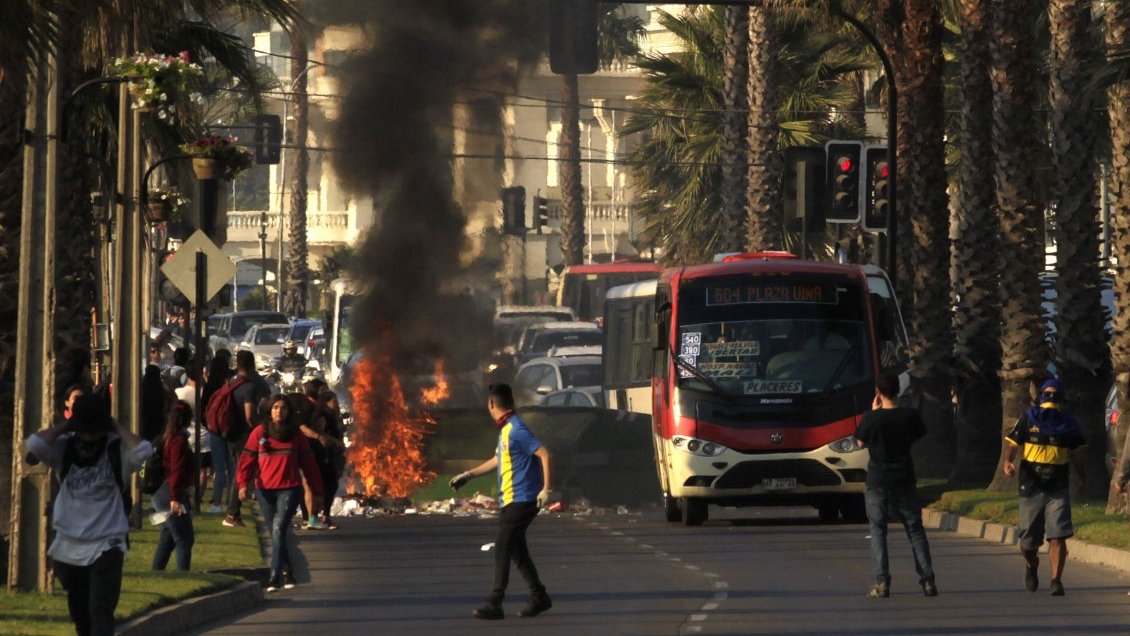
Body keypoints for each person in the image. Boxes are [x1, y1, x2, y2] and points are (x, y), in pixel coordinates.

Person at [25, 394, 152, 636]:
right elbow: (35, 444)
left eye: (93, 431)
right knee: (81, 615)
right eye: (85, 431)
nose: (89, 439)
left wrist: (115, 425)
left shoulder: (117, 449)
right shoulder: (65, 447)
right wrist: (67, 426)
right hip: (68, 545)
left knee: (100, 610)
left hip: (107, 543)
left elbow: (144, 450)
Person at [450, 383, 553, 620]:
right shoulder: (507, 430)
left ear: (491, 405)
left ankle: (495, 600)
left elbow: (545, 453)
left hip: (523, 498)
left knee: (503, 544)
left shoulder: (516, 429)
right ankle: (539, 597)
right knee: (516, 550)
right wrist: (468, 475)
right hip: (511, 499)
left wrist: (546, 490)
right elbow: (497, 460)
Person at [853, 369, 936, 599]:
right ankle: (927, 579)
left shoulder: (871, 418)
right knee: (914, 529)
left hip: (878, 480)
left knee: (878, 530)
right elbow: (920, 437)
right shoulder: (909, 416)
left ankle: (882, 582)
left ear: (878, 392)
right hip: (904, 478)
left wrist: (872, 412)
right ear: (898, 391)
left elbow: (860, 443)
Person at [1002, 377, 1086, 596]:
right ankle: (1031, 565)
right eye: (1046, 394)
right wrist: (1008, 462)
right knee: (1028, 542)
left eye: (1054, 395)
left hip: (1057, 487)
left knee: (1058, 536)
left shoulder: (1070, 425)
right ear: (1040, 397)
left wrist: (1082, 478)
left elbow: (1078, 453)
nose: (1050, 399)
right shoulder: (1028, 419)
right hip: (1031, 486)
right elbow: (1012, 443)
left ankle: (1056, 580)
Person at [237, 394, 323, 591]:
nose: (279, 411)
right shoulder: (259, 433)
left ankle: (275, 577)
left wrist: (317, 491)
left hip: (289, 489)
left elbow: (309, 465)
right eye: (275, 407)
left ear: (289, 412)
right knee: (276, 532)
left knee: (278, 529)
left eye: (283, 408)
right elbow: (247, 460)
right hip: (264, 490)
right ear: (270, 410)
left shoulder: (296, 435)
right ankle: (288, 570)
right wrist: (242, 484)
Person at [223, 350, 272, 528]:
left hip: (230, 433)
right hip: (244, 435)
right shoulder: (250, 386)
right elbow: (249, 415)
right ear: (252, 365)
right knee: (241, 472)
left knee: (239, 471)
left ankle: (233, 511)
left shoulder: (232, 382)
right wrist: (260, 427)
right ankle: (232, 513)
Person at [152, 401, 196, 571]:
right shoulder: (178, 440)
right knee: (185, 537)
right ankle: (182, 575)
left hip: (165, 491)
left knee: (169, 536)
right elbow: (177, 470)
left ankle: (157, 572)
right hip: (170, 493)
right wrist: (175, 498)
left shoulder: (168, 437)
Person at [202, 353, 234, 513]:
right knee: (232, 467)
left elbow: (204, 409)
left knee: (219, 468)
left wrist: (209, 425)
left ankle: (217, 501)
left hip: (214, 430)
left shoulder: (209, 386)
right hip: (231, 430)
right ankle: (232, 501)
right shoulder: (230, 386)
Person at [140, 364, 170, 442]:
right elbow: (171, 400)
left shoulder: (141, 388)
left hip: (144, 422)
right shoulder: (160, 388)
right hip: (158, 422)